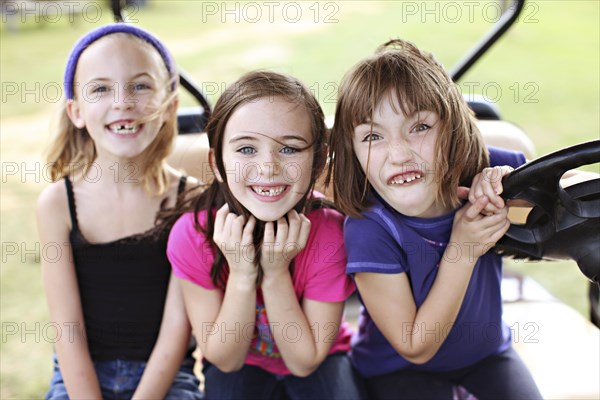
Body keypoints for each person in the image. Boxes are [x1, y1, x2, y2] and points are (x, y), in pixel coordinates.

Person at [326, 38, 543, 399]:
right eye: (373, 136)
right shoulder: (369, 227)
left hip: (488, 356)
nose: (398, 154)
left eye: (420, 127)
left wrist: (513, 189)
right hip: (397, 369)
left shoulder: (484, 173)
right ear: (353, 152)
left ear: (453, 129)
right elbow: (413, 345)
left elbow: (568, 190)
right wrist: (463, 249)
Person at [166, 71, 364, 399]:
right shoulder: (193, 235)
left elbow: (305, 361)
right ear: (217, 163)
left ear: (317, 161)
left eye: (289, 149)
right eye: (246, 149)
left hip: (320, 357)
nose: (268, 166)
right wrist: (243, 274)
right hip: (242, 361)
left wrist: (274, 273)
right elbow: (225, 360)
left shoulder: (330, 234)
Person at [36, 23, 202, 399]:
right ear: (76, 112)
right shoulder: (58, 204)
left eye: (140, 86)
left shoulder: (189, 200)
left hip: (165, 377)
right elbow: (67, 329)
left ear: (170, 106)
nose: (122, 102)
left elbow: (177, 328)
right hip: (79, 377)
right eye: (100, 89)